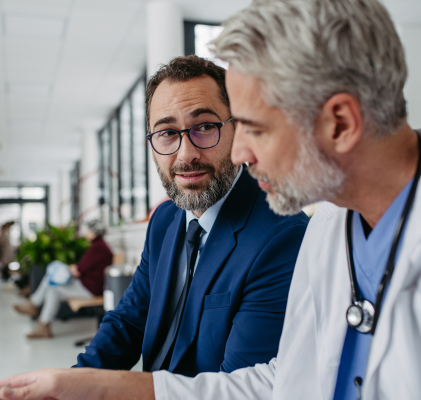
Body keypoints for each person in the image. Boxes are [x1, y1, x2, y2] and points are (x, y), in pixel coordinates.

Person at [0, 0, 421, 398]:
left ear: (340, 123)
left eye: (251, 128)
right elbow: (281, 382)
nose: (243, 151)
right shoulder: (334, 224)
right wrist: (87, 386)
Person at [72, 56, 308, 376]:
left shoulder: (282, 233)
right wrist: (71, 384)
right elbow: (129, 320)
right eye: (167, 133)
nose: (186, 154)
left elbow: (238, 390)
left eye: (206, 127)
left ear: (237, 129)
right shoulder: (164, 220)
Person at [13, 219, 113, 339]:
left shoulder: (98, 247)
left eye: (88, 230)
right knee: (52, 284)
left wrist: (72, 268)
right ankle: (40, 320)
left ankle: (35, 308)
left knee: (52, 284)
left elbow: (79, 270)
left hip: (90, 289)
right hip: (89, 285)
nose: (86, 233)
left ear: (94, 232)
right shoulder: (100, 246)